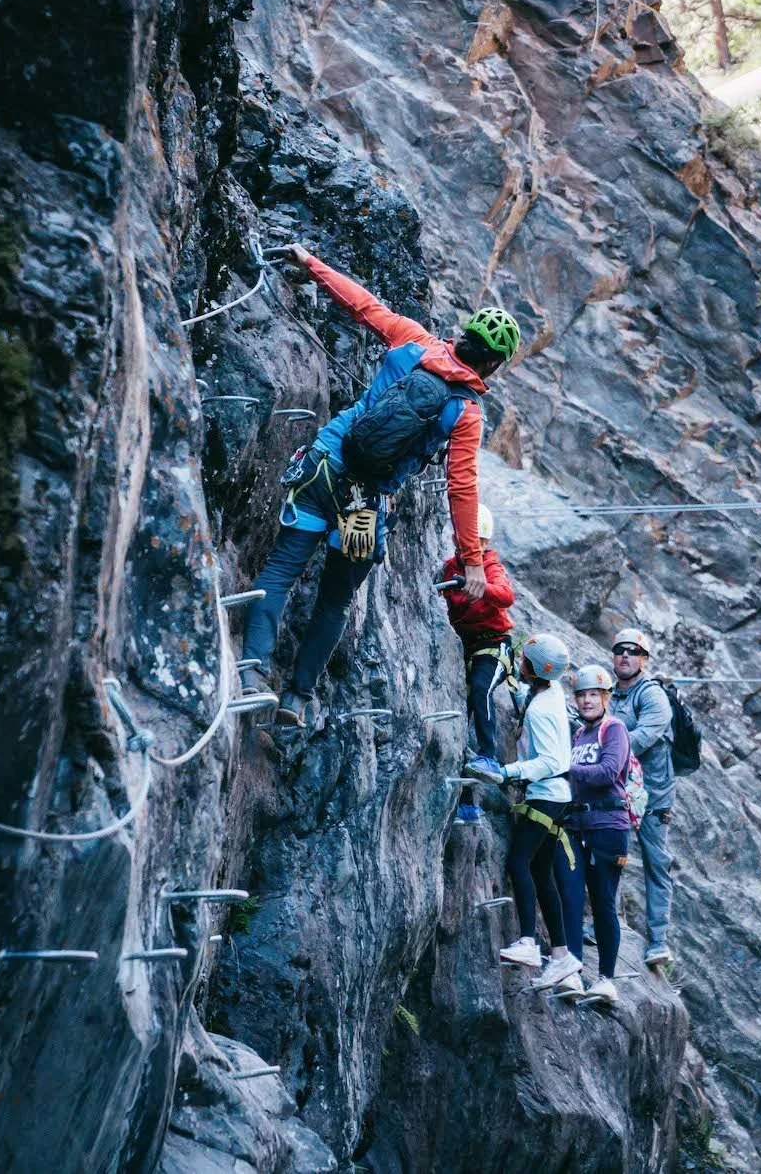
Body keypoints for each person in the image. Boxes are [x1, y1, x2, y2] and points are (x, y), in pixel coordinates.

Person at [239, 244, 522, 729]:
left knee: (282, 571)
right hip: (365, 504)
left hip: (326, 464)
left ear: (465, 333)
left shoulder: (412, 341)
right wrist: (472, 560)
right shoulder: (467, 412)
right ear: (493, 366)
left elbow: (363, 304)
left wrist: (310, 263)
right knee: (333, 601)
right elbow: (462, 489)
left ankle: (250, 672)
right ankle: (296, 698)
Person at [467, 633, 585, 992]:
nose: (519, 662)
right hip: (557, 796)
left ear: (532, 667)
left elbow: (551, 760)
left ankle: (528, 942)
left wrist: (507, 772)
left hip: (546, 795)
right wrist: (516, 689)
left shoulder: (542, 710)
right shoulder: (548, 695)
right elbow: (531, 704)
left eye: (524, 661)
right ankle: (563, 955)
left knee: (519, 861)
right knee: (540, 870)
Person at [438, 504, 517, 824]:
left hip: (494, 644)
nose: (476, 547)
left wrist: (477, 585)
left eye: (481, 542)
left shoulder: (489, 565)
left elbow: (506, 595)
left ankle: (489, 757)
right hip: (467, 646)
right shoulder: (450, 568)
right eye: (471, 540)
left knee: (482, 690)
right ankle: (467, 803)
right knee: (461, 719)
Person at [607, 628, 677, 971]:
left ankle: (658, 940)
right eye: (620, 650)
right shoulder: (609, 695)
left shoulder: (652, 696)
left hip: (654, 796)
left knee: (656, 862)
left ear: (643, 659)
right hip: (620, 791)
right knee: (612, 857)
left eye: (633, 651)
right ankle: (609, 924)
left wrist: (608, 750)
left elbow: (647, 734)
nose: (625, 655)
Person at [566, 663, 636, 1006]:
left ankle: (606, 980)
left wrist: (567, 766)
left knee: (603, 901)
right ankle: (572, 972)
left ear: (606, 697)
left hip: (609, 828)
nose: (587, 701)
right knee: (573, 896)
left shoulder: (615, 729)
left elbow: (609, 772)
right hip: (579, 826)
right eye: (581, 695)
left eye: (593, 694)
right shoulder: (579, 735)